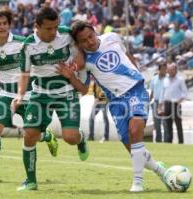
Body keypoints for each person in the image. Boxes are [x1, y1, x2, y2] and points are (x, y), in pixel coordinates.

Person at [56, 21, 166, 193]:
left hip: (136, 90)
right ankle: (160, 170)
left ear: (95, 31)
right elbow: (84, 89)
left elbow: (128, 55)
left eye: (91, 36)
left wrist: (138, 76)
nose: (90, 42)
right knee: (131, 145)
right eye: (84, 41)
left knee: (135, 130)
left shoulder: (112, 37)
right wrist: (71, 77)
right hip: (115, 102)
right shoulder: (84, 63)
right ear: (79, 44)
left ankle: (138, 182)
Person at [0, 7, 58, 183]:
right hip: (6, 94)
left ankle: (47, 136)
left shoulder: (22, 42)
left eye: (5, 23)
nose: (3, 27)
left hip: (29, 95)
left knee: (31, 135)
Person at [11, 7, 89, 191]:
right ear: (36, 26)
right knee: (30, 134)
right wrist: (21, 94)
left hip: (66, 93)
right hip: (40, 95)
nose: (53, 32)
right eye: (48, 28)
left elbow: (81, 58)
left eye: (55, 27)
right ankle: (30, 180)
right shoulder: (28, 45)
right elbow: (24, 73)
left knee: (70, 138)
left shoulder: (66, 35)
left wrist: (73, 68)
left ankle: (81, 138)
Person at [158, 63, 188, 144]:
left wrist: (180, 100)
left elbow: (185, 92)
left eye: (172, 70)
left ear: (175, 70)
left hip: (176, 104)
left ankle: (181, 142)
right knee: (168, 124)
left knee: (178, 124)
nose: (170, 71)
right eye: (169, 70)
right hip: (167, 104)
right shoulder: (165, 80)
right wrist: (160, 105)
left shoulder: (180, 80)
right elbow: (162, 93)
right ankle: (169, 142)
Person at [150, 63, 167, 142]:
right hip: (156, 102)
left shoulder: (167, 79)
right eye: (163, 69)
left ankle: (167, 141)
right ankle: (158, 140)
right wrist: (149, 101)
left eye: (165, 69)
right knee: (157, 124)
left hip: (165, 102)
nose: (164, 71)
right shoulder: (154, 79)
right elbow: (152, 91)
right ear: (159, 69)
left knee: (165, 123)